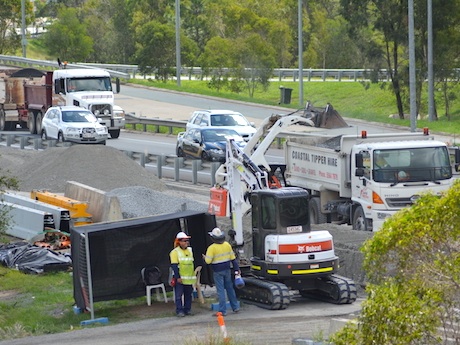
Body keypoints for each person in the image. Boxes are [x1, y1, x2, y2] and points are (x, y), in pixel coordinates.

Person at [203, 227, 240, 316]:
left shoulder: (211, 248)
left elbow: (208, 261)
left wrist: (204, 258)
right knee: (230, 289)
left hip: (217, 271)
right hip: (227, 270)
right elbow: (233, 259)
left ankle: (222, 311)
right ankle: (235, 307)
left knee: (221, 291)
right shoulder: (227, 245)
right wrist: (237, 269)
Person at [169, 231, 196, 317]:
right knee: (179, 296)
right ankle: (179, 311)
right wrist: (178, 277)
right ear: (179, 242)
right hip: (180, 278)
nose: (186, 242)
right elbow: (174, 266)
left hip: (188, 278)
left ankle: (188, 309)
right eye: (184, 241)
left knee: (188, 294)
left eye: (187, 241)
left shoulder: (190, 250)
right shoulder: (174, 252)